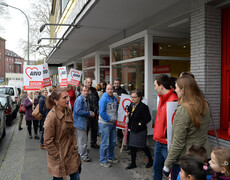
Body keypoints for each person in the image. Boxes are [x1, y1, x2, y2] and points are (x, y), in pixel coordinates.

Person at [163, 75, 212, 180]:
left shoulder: (184, 109)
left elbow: (178, 141)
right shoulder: (205, 104)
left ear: (183, 90)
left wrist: (167, 165)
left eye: (176, 87)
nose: (174, 90)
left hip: (188, 160)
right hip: (204, 154)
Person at [44, 88, 81, 180]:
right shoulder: (51, 117)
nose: (68, 99)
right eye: (64, 98)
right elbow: (48, 141)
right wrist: (58, 156)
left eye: (67, 96)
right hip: (59, 157)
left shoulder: (67, 110)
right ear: (56, 101)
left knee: (76, 177)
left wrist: (75, 147)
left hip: (71, 154)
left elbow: (72, 132)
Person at [153, 74, 178, 180]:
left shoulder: (174, 101)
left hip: (168, 145)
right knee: (156, 169)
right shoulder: (161, 98)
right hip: (158, 141)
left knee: (171, 173)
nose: (154, 88)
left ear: (161, 86)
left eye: (155, 85)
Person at [125, 90, 153, 170]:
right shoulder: (131, 105)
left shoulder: (143, 107)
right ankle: (133, 163)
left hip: (140, 130)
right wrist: (127, 115)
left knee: (142, 146)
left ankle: (150, 160)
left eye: (134, 97)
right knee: (132, 147)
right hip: (133, 129)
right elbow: (131, 115)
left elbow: (148, 118)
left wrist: (141, 123)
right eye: (132, 97)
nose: (132, 99)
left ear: (139, 97)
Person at [73, 85, 95, 162]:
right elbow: (78, 111)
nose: (86, 92)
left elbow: (85, 109)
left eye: (87, 90)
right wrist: (89, 113)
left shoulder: (85, 99)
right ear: (81, 91)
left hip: (83, 122)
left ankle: (81, 152)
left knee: (81, 139)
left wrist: (90, 112)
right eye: (84, 90)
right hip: (80, 122)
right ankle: (83, 155)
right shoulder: (80, 99)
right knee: (82, 139)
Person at [99, 84, 119, 168]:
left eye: (111, 89)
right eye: (108, 89)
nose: (110, 90)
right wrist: (109, 119)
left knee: (113, 141)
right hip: (105, 124)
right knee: (105, 142)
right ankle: (103, 160)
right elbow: (101, 112)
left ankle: (110, 157)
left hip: (112, 123)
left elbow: (116, 108)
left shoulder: (114, 98)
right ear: (106, 90)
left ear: (113, 90)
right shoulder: (103, 99)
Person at [85, 78, 100, 148]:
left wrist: (97, 110)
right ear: (86, 83)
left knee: (94, 129)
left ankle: (93, 142)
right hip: (87, 114)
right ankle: (84, 145)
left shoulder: (94, 90)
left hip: (94, 113)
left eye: (91, 82)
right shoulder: (84, 90)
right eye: (88, 82)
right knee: (86, 130)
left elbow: (97, 100)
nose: (89, 84)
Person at [113, 78, 128, 147]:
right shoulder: (111, 90)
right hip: (113, 110)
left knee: (119, 127)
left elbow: (127, 101)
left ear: (120, 83)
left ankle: (120, 140)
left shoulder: (123, 91)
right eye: (115, 83)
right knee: (113, 126)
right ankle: (113, 139)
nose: (116, 84)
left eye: (118, 83)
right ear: (114, 83)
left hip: (121, 111)